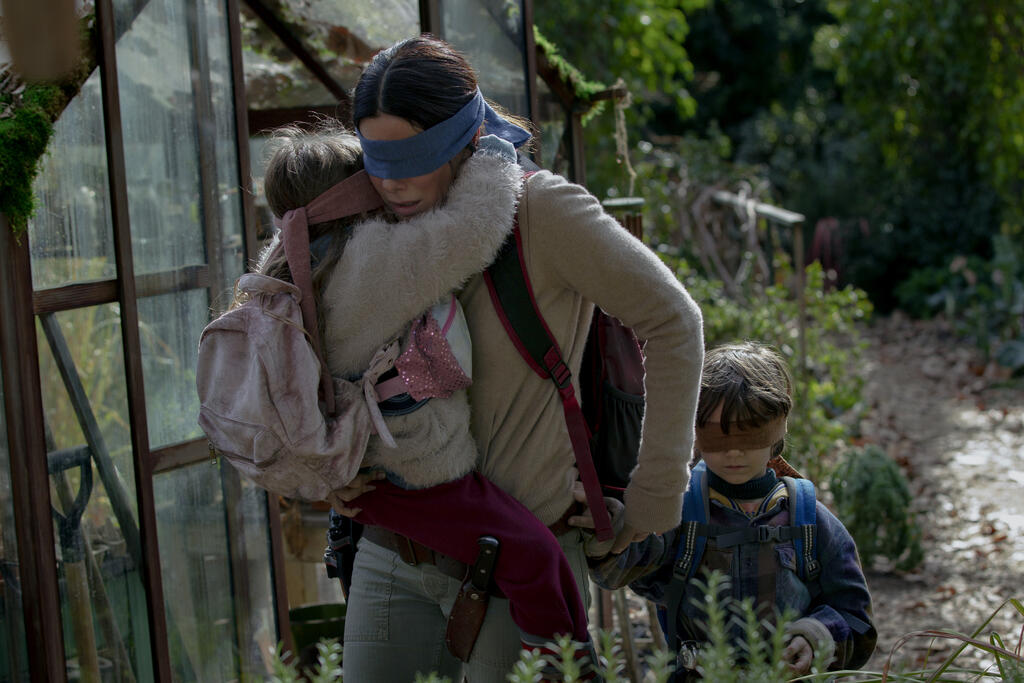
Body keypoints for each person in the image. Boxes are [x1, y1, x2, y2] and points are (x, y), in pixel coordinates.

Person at [331, 35, 705, 681]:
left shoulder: (541, 210)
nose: (391, 182)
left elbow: (675, 320)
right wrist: (323, 463)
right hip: (392, 551)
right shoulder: (367, 215)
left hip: (520, 563)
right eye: (377, 159)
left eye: (412, 157)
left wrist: (655, 495)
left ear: (463, 136)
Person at [253, 123, 598, 669]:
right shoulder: (367, 262)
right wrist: (493, 155)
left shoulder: (282, 266)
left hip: (365, 477)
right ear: (354, 195)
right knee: (537, 559)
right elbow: (472, 232)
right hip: (418, 474)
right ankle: (566, 668)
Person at [583, 341, 877, 679]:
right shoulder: (677, 513)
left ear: (777, 429)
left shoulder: (809, 520)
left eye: (749, 432)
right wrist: (608, 526)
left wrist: (816, 636)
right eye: (717, 435)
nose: (733, 451)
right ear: (694, 431)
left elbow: (857, 619)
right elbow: (617, 570)